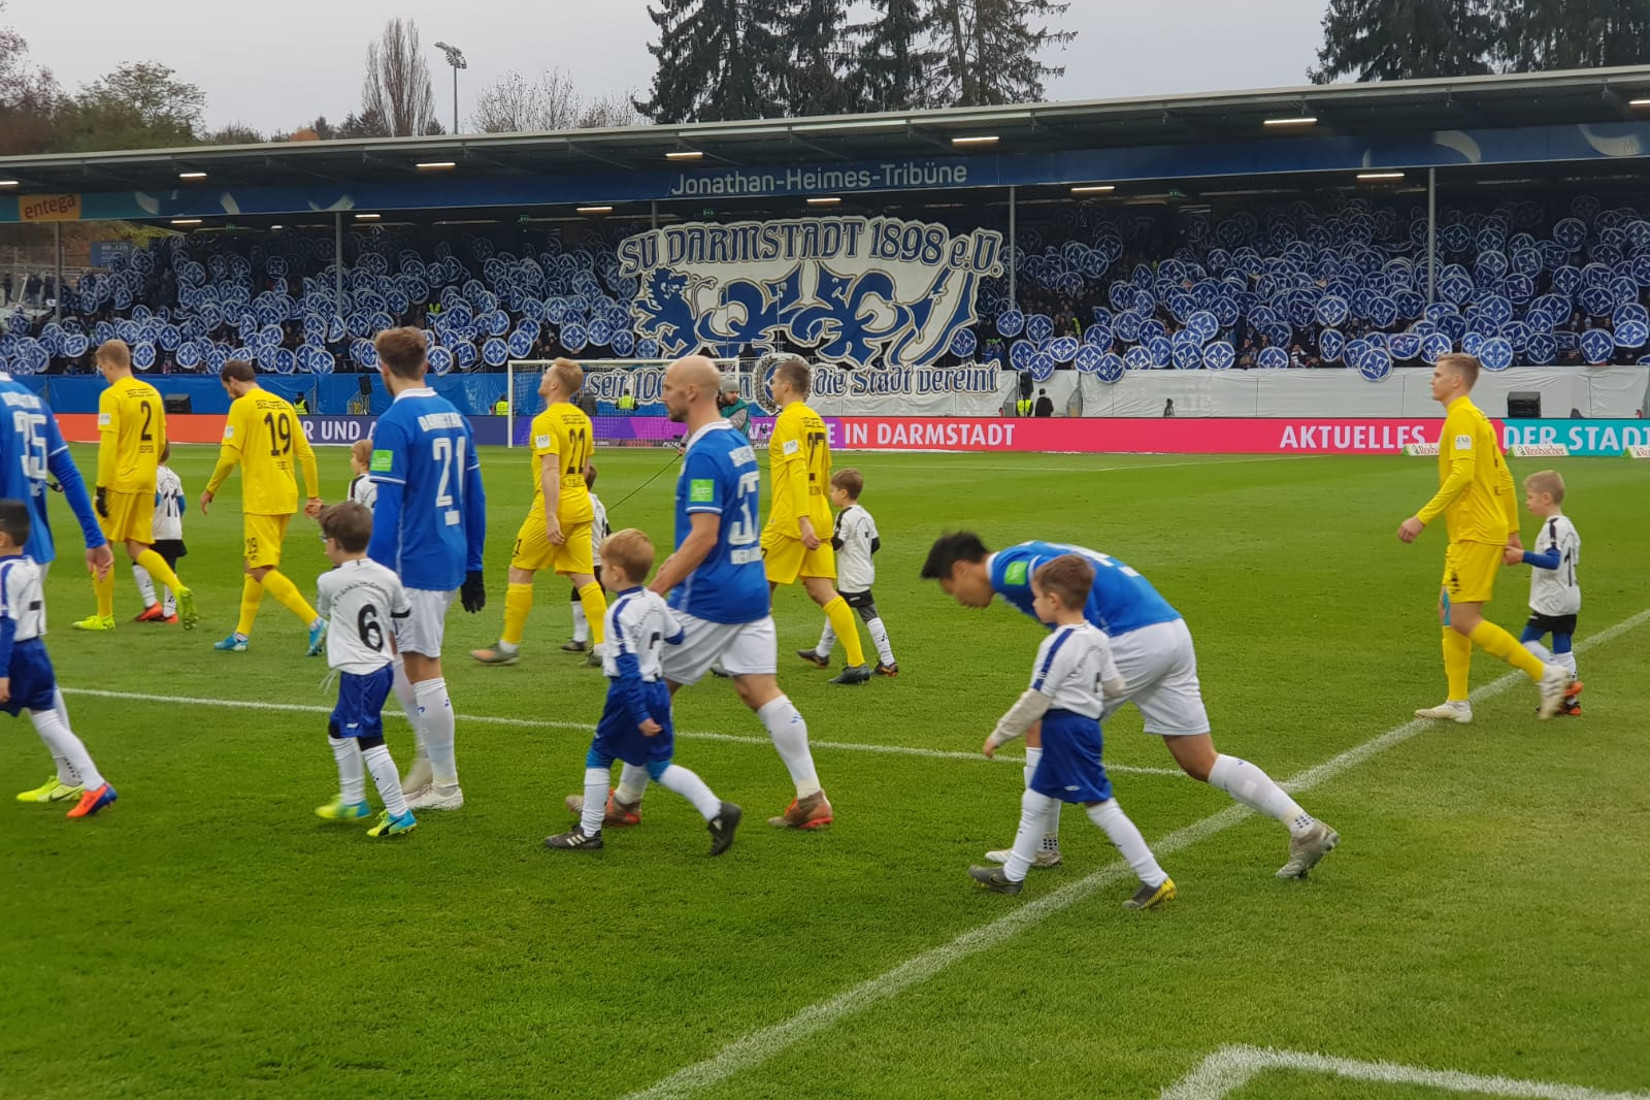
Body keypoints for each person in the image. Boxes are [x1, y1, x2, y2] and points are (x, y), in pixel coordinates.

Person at [922, 532, 1339, 879]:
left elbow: (1056, 583)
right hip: (1170, 632)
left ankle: (1041, 848)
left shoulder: (1011, 570)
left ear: (961, 570)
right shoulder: (1025, 553)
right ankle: (1304, 828)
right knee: (1198, 760)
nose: (958, 598)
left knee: (1044, 725)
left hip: (1132, 638)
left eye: (950, 588)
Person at [567, 355, 832, 831]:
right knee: (759, 690)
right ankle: (812, 795)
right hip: (750, 586)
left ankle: (625, 801)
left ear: (691, 392)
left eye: (667, 387)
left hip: (710, 595)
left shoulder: (707, 453)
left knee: (649, 690)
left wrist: (654, 590)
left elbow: (703, 536)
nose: (662, 394)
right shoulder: (734, 440)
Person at [968, 555, 1175, 907]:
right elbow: (1114, 685)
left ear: (1054, 600)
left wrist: (1000, 734)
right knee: (1035, 800)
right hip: (1078, 728)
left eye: (1036, 598)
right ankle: (1013, 876)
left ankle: (1155, 879)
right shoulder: (1097, 637)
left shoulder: (1057, 644)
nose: (1032, 605)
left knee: (1100, 806)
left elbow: (1037, 697)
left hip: (1066, 731)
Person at [544, 527, 742, 855]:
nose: (601, 572)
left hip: (629, 695)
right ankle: (717, 811)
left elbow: (628, 668)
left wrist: (637, 714)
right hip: (659, 692)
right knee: (659, 766)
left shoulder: (618, 614)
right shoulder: (654, 600)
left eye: (603, 567)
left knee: (600, 755)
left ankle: (589, 831)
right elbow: (678, 636)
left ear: (617, 573)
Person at [1400, 355, 1573, 723]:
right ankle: (1458, 702)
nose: (1432, 380)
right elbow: (1505, 478)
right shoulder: (1478, 419)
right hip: (1478, 530)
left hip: (1474, 532)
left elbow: (1462, 475)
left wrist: (1422, 518)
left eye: (1438, 374)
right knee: (1448, 609)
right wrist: (1510, 529)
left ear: (1456, 382)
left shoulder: (1462, 418)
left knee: (1463, 617)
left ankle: (1547, 675)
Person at [367, 326, 487, 812]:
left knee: (422, 666)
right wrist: (475, 563)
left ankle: (445, 784)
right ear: (427, 364)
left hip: (414, 559)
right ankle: (427, 762)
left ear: (383, 368)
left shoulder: (394, 423)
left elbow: (387, 509)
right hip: (449, 551)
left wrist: (369, 574)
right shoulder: (454, 414)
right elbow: (474, 494)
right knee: (399, 654)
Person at [471, 359, 604, 667]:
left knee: (520, 569)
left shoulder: (545, 421)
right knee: (584, 576)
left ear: (555, 384)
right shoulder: (582, 419)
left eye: (547, 374)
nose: (542, 378)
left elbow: (550, 470)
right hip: (582, 502)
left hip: (556, 503)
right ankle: (604, 646)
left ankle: (508, 645)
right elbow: (586, 468)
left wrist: (551, 516)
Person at [0, 500, 118, 819]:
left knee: (50, 725)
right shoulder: (28, 566)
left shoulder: (5, 573)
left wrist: (2, 672)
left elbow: (6, 623)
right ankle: (94, 783)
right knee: (50, 723)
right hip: (37, 652)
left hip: (16, 657)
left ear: (2, 538)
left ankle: (92, 784)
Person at [202, 360, 326, 654]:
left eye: (227, 388)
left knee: (260, 567)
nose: (228, 394)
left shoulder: (243, 407)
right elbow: (306, 454)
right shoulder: (283, 405)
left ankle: (315, 622)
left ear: (233, 380)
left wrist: (210, 489)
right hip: (285, 495)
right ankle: (241, 635)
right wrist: (313, 495)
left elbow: (229, 457)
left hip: (261, 497)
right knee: (253, 566)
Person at [763, 354, 871, 685]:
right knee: (821, 590)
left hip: (792, 520)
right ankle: (857, 663)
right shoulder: (815, 420)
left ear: (786, 386)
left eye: (773, 380)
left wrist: (802, 519)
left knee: (753, 587)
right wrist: (818, 513)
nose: (770, 385)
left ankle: (744, 663)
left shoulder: (788, 421)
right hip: (820, 515)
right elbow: (824, 471)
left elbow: (797, 468)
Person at [75, 339, 197, 632]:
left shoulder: (112, 395)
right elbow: (161, 442)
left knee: (101, 544)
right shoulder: (153, 393)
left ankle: (104, 616)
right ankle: (176, 587)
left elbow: (108, 446)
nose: (102, 373)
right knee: (137, 546)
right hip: (146, 478)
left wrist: (102, 488)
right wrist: (146, 470)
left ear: (110, 364)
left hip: (120, 479)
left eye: (102, 367)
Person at [312, 502, 418, 838]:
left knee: (369, 739)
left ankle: (399, 812)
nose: (325, 545)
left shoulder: (329, 581)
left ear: (336, 543)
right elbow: (403, 611)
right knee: (337, 728)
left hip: (361, 672)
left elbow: (325, 611)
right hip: (381, 666)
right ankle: (354, 798)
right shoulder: (387, 576)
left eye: (325, 539)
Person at [799, 468, 897, 676]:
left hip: (852, 576)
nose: (830, 494)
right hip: (863, 570)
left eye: (833, 491)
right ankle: (822, 652)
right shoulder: (865, 514)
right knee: (836, 609)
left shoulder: (845, 516)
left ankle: (888, 661)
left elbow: (837, 543)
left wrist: (821, 538)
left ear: (843, 493)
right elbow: (876, 543)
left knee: (868, 614)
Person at [1504, 470, 1584, 717]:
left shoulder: (1553, 527)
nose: (1527, 502)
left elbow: (1553, 561)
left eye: (1530, 497)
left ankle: (1558, 679)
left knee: (1525, 644)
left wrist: (1522, 556)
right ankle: (1571, 704)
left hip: (1552, 599)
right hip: (1570, 596)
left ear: (1546, 498)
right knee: (1563, 646)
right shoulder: (1568, 525)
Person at [133, 443, 186, 623]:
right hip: (174, 529)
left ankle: (150, 603)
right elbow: (182, 505)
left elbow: (154, 499)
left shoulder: (151, 474)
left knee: (138, 562)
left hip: (156, 528)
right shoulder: (175, 476)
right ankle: (170, 613)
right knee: (170, 569)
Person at [563, 462, 609, 655]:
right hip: (597, 555)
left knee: (591, 594)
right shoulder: (596, 501)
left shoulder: (580, 500)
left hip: (591, 556)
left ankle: (603, 641)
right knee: (579, 592)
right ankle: (580, 638)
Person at [717, 375, 752, 440]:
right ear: (722, 392)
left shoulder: (741, 407)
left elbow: (732, 425)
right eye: (731, 392)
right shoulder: (712, 404)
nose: (735, 395)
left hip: (737, 446)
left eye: (737, 393)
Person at [347, 439, 377, 510]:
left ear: (363, 461)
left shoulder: (358, 483)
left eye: (353, 456)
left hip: (365, 520)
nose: (351, 460)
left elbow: (353, 513)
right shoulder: (384, 481)